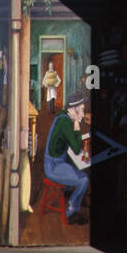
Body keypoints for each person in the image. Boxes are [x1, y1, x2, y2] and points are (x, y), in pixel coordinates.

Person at [44, 91, 90, 222]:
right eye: (81, 110)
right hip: (53, 166)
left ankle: (73, 193)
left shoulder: (63, 116)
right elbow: (76, 148)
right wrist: (77, 125)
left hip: (57, 161)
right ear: (74, 109)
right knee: (84, 179)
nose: (82, 114)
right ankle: (72, 211)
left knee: (79, 166)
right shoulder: (65, 122)